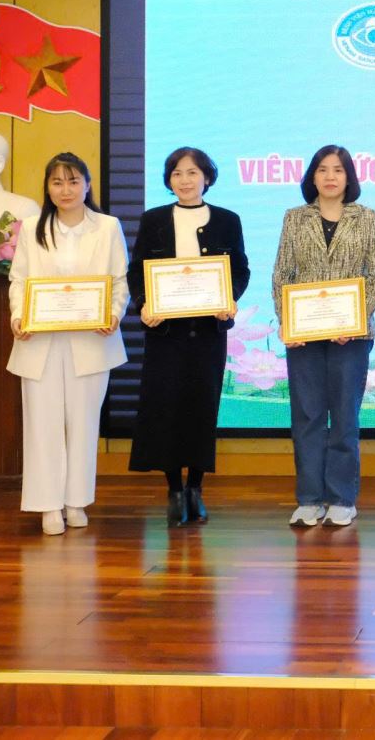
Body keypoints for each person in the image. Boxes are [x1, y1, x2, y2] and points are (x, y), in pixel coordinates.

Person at [127, 147, 251, 526]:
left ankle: (196, 488)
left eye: (193, 172)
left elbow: (240, 270)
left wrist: (230, 298)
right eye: (177, 173)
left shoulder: (227, 220)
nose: (185, 180)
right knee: (166, 408)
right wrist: (144, 303)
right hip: (165, 332)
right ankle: (174, 490)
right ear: (168, 180)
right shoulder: (153, 219)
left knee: (201, 408)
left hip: (208, 332)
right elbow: (137, 271)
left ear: (207, 178)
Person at [8, 152, 129, 536]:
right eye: (57, 182)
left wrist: (113, 314)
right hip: (40, 341)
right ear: (47, 187)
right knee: (42, 425)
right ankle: (47, 505)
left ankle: (76, 501)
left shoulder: (107, 227)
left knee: (83, 423)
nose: (66, 189)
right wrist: (18, 317)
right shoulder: (32, 228)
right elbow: (19, 281)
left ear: (87, 185)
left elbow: (119, 280)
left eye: (73, 181)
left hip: (91, 341)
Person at [272, 145, 375, 529]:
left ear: (349, 176)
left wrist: (353, 321)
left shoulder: (368, 218)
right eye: (322, 169)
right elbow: (282, 274)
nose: (330, 177)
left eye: (338, 169)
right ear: (313, 176)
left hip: (351, 337)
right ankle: (308, 499)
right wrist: (287, 321)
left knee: (344, 416)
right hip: (304, 336)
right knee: (307, 416)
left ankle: (341, 498)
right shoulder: (294, 218)